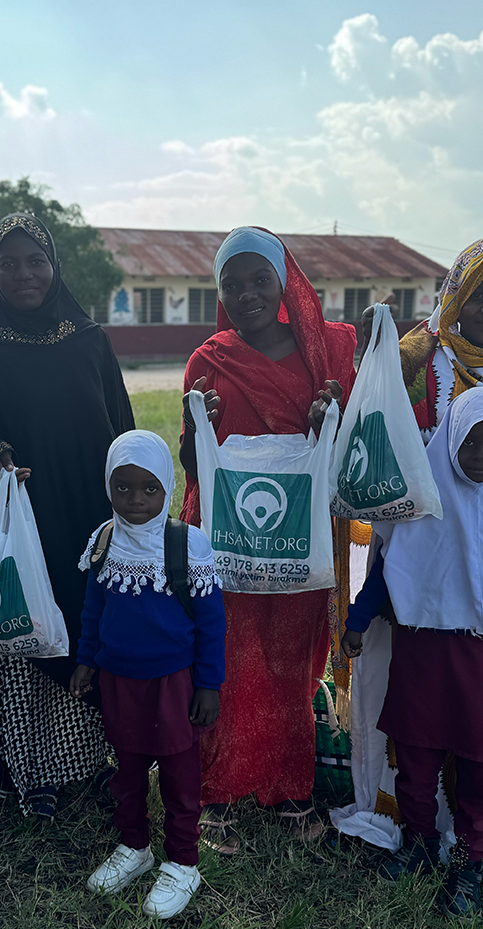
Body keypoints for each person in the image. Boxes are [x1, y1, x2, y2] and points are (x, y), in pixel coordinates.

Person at [331, 239, 483, 855]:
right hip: (423, 541)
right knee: (412, 719)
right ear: (455, 294)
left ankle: (475, 841)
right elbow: (373, 400)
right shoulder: (424, 355)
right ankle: (410, 825)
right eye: (479, 294)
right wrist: (375, 350)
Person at [0, 212, 135, 821]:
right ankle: (28, 769)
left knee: (87, 625)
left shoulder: (90, 341)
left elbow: (122, 427)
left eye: (36, 261)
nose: (23, 273)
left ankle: (93, 758)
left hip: (86, 513)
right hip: (20, 520)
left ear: (55, 267)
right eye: (9, 263)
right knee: (27, 628)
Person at [179, 226, 356, 850]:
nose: (247, 294)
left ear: (284, 283)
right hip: (227, 536)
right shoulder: (210, 360)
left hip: (296, 536)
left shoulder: (326, 353)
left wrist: (329, 419)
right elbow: (192, 465)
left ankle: (289, 785)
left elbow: (349, 453)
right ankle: (218, 788)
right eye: (233, 284)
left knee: (290, 660)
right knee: (225, 656)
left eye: (260, 280)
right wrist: (198, 427)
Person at [342, 387, 483, 915]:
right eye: (470, 441)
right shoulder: (424, 505)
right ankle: (418, 844)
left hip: (481, 665)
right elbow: (389, 568)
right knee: (414, 758)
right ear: (450, 439)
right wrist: (357, 621)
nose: (481, 454)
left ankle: (469, 862)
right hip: (421, 657)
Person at [69, 430, 225, 919]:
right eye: (123, 488)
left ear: (167, 487)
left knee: (180, 776)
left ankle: (183, 862)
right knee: (128, 769)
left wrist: (209, 685)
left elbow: (212, 625)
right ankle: (134, 847)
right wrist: (86, 659)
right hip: (119, 682)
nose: (135, 500)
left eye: (149, 488)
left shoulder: (187, 544)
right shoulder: (104, 540)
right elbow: (93, 609)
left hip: (173, 685)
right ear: (107, 487)